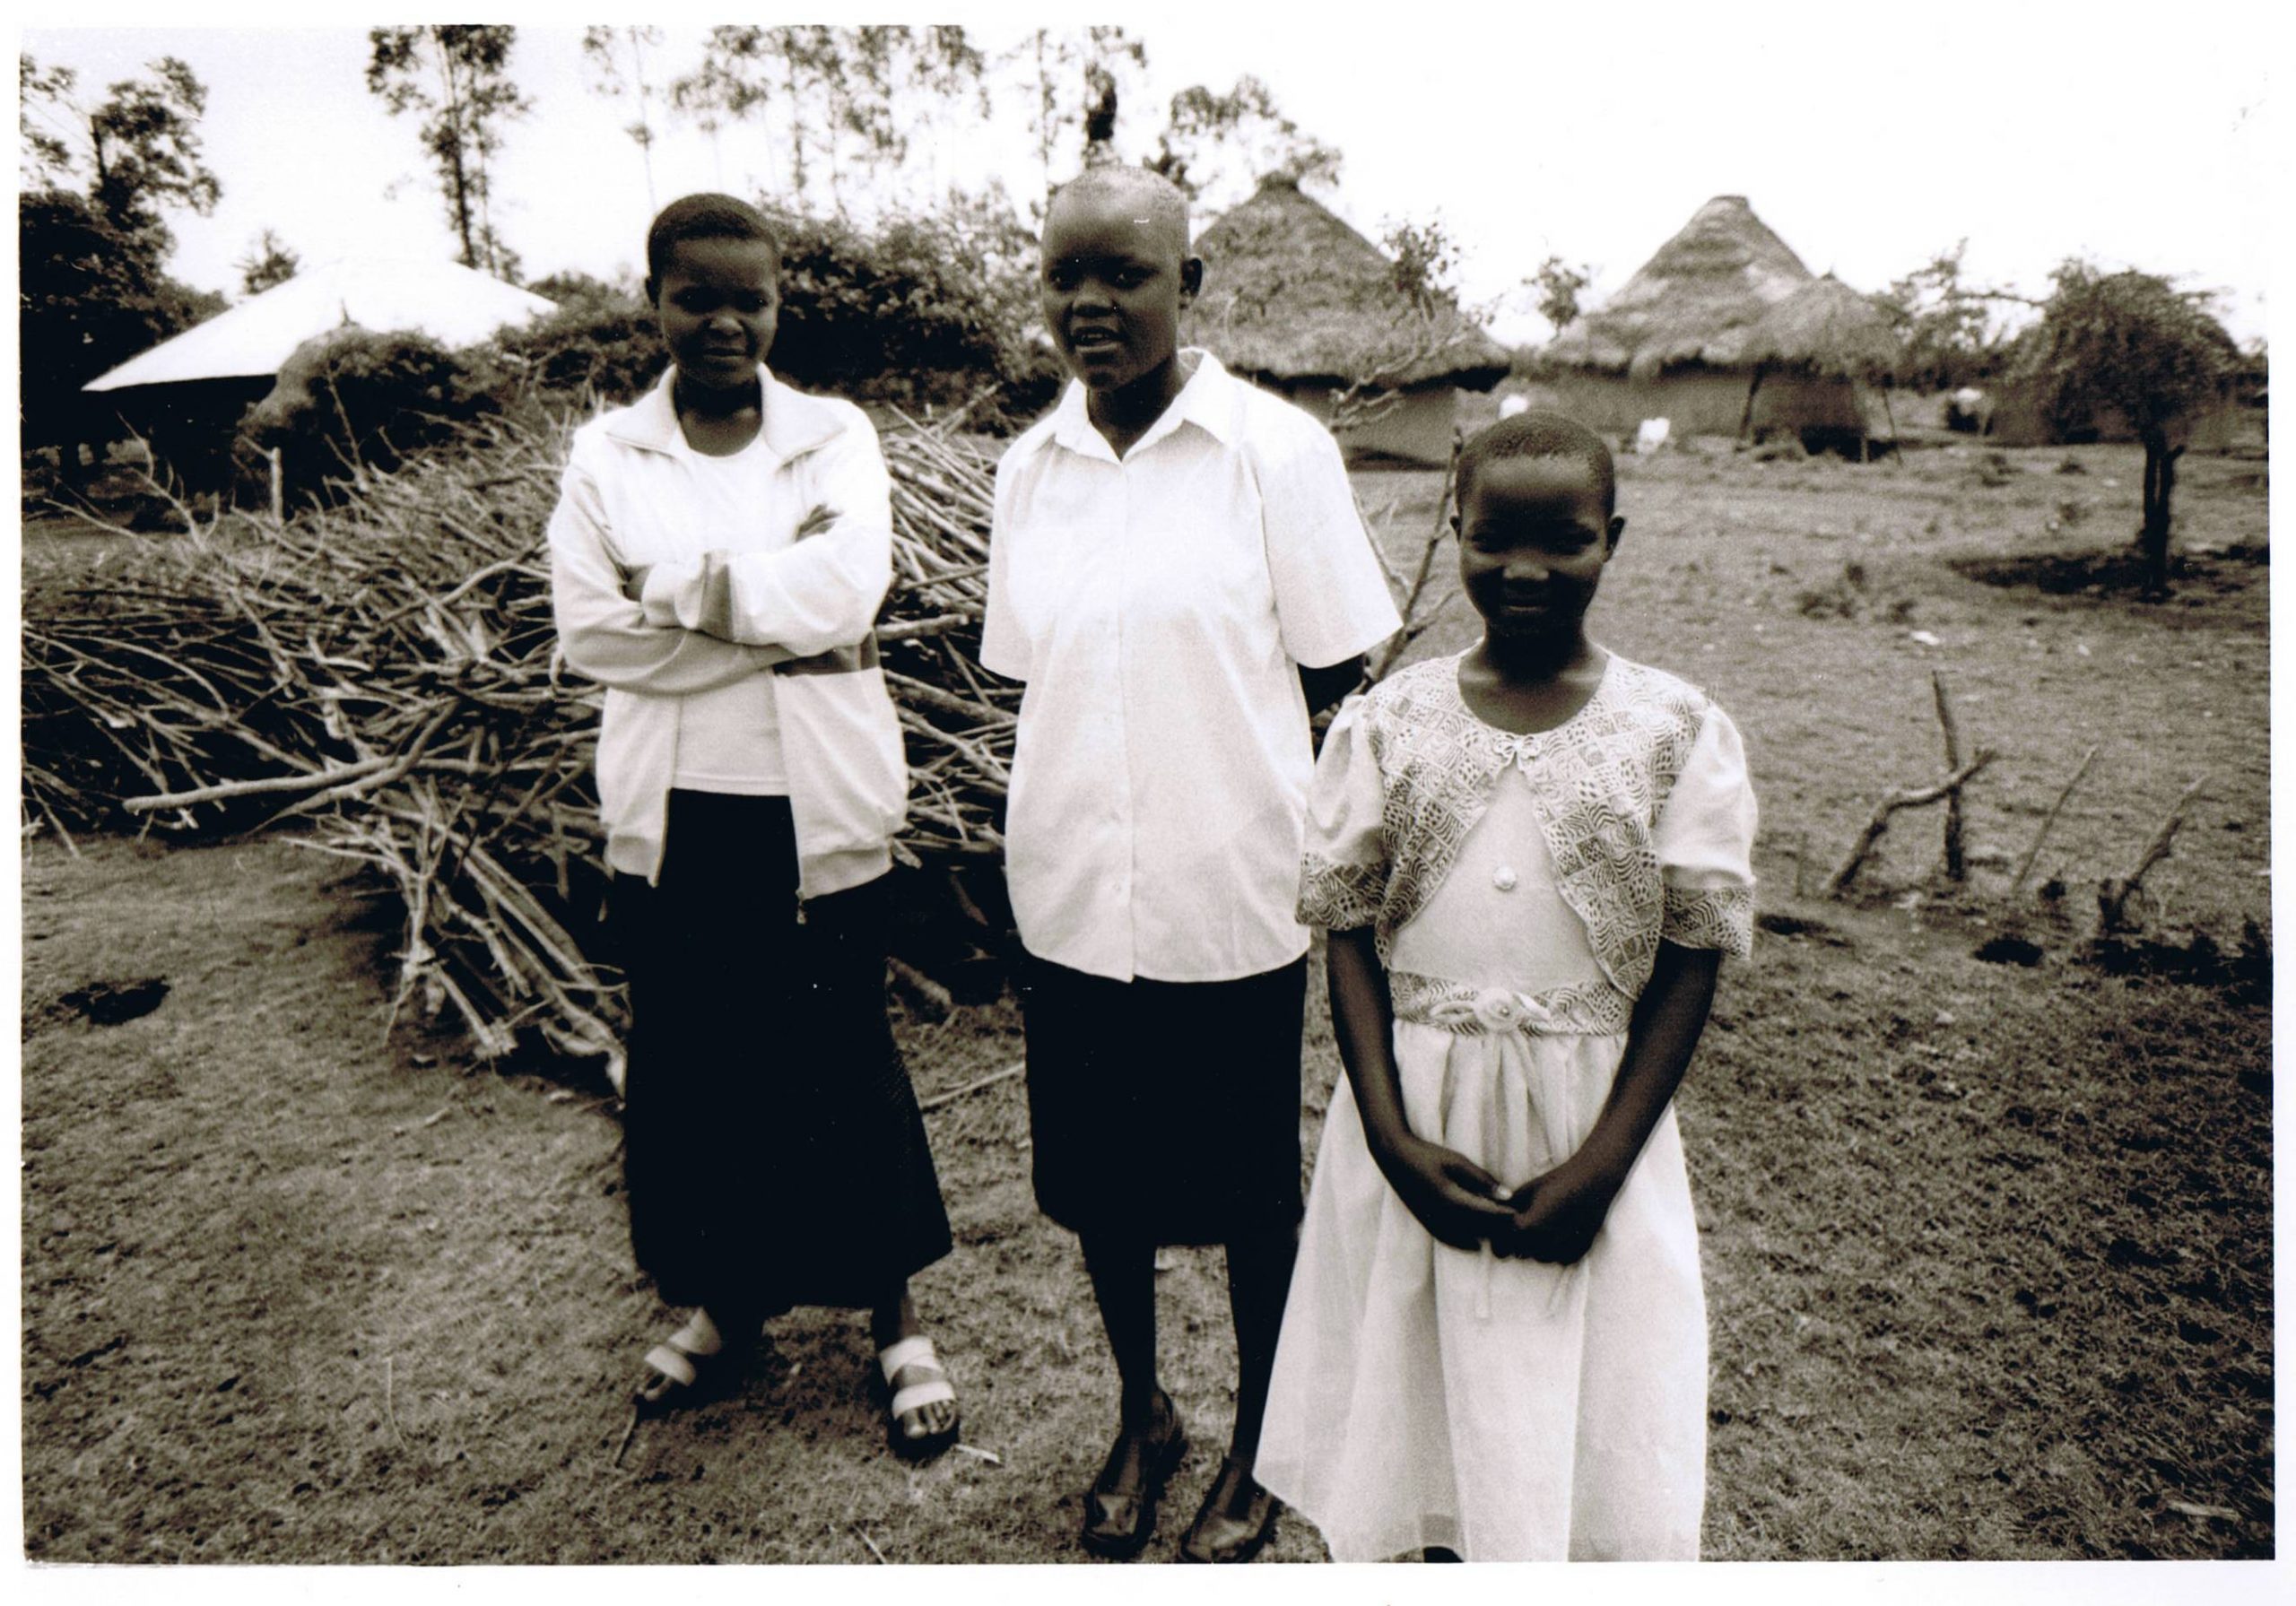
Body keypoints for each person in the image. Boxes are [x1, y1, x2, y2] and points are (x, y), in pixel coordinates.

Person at [980, 165, 1402, 1563]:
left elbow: (1347, 675)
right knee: (1101, 1181)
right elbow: (1025, 680)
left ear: (1190, 287)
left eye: (1127, 275)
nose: (1091, 304)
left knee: (1242, 1192)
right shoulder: (1026, 471)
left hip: (1232, 887)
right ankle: (1142, 1413)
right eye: (1066, 278)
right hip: (1072, 887)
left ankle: (1265, 1443)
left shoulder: (1273, 453)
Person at [1255, 411, 1758, 1561]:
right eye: (1492, 541)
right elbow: (1343, 929)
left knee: (1570, 1398)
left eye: (1564, 541)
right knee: (1412, 1390)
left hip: (1592, 1124)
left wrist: (1601, 1164)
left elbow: (1691, 956)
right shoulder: (1390, 722)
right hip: (1417, 1115)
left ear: (1611, 539)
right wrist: (1386, 1132)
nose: (1524, 570)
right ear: (1455, 529)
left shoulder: (1673, 730)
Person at [546, 193, 959, 1459]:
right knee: (696, 1069)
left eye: (751, 299)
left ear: (780, 305)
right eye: (696, 296)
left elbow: (849, 585)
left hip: (818, 810)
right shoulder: (609, 455)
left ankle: (897, 1323)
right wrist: (778, 633)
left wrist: (676, 595)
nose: (724, 320)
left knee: (842, 1053)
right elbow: (586, 630)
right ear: (654, 299)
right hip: (675, 822)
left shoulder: (832, 436)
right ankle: (727, 1307)